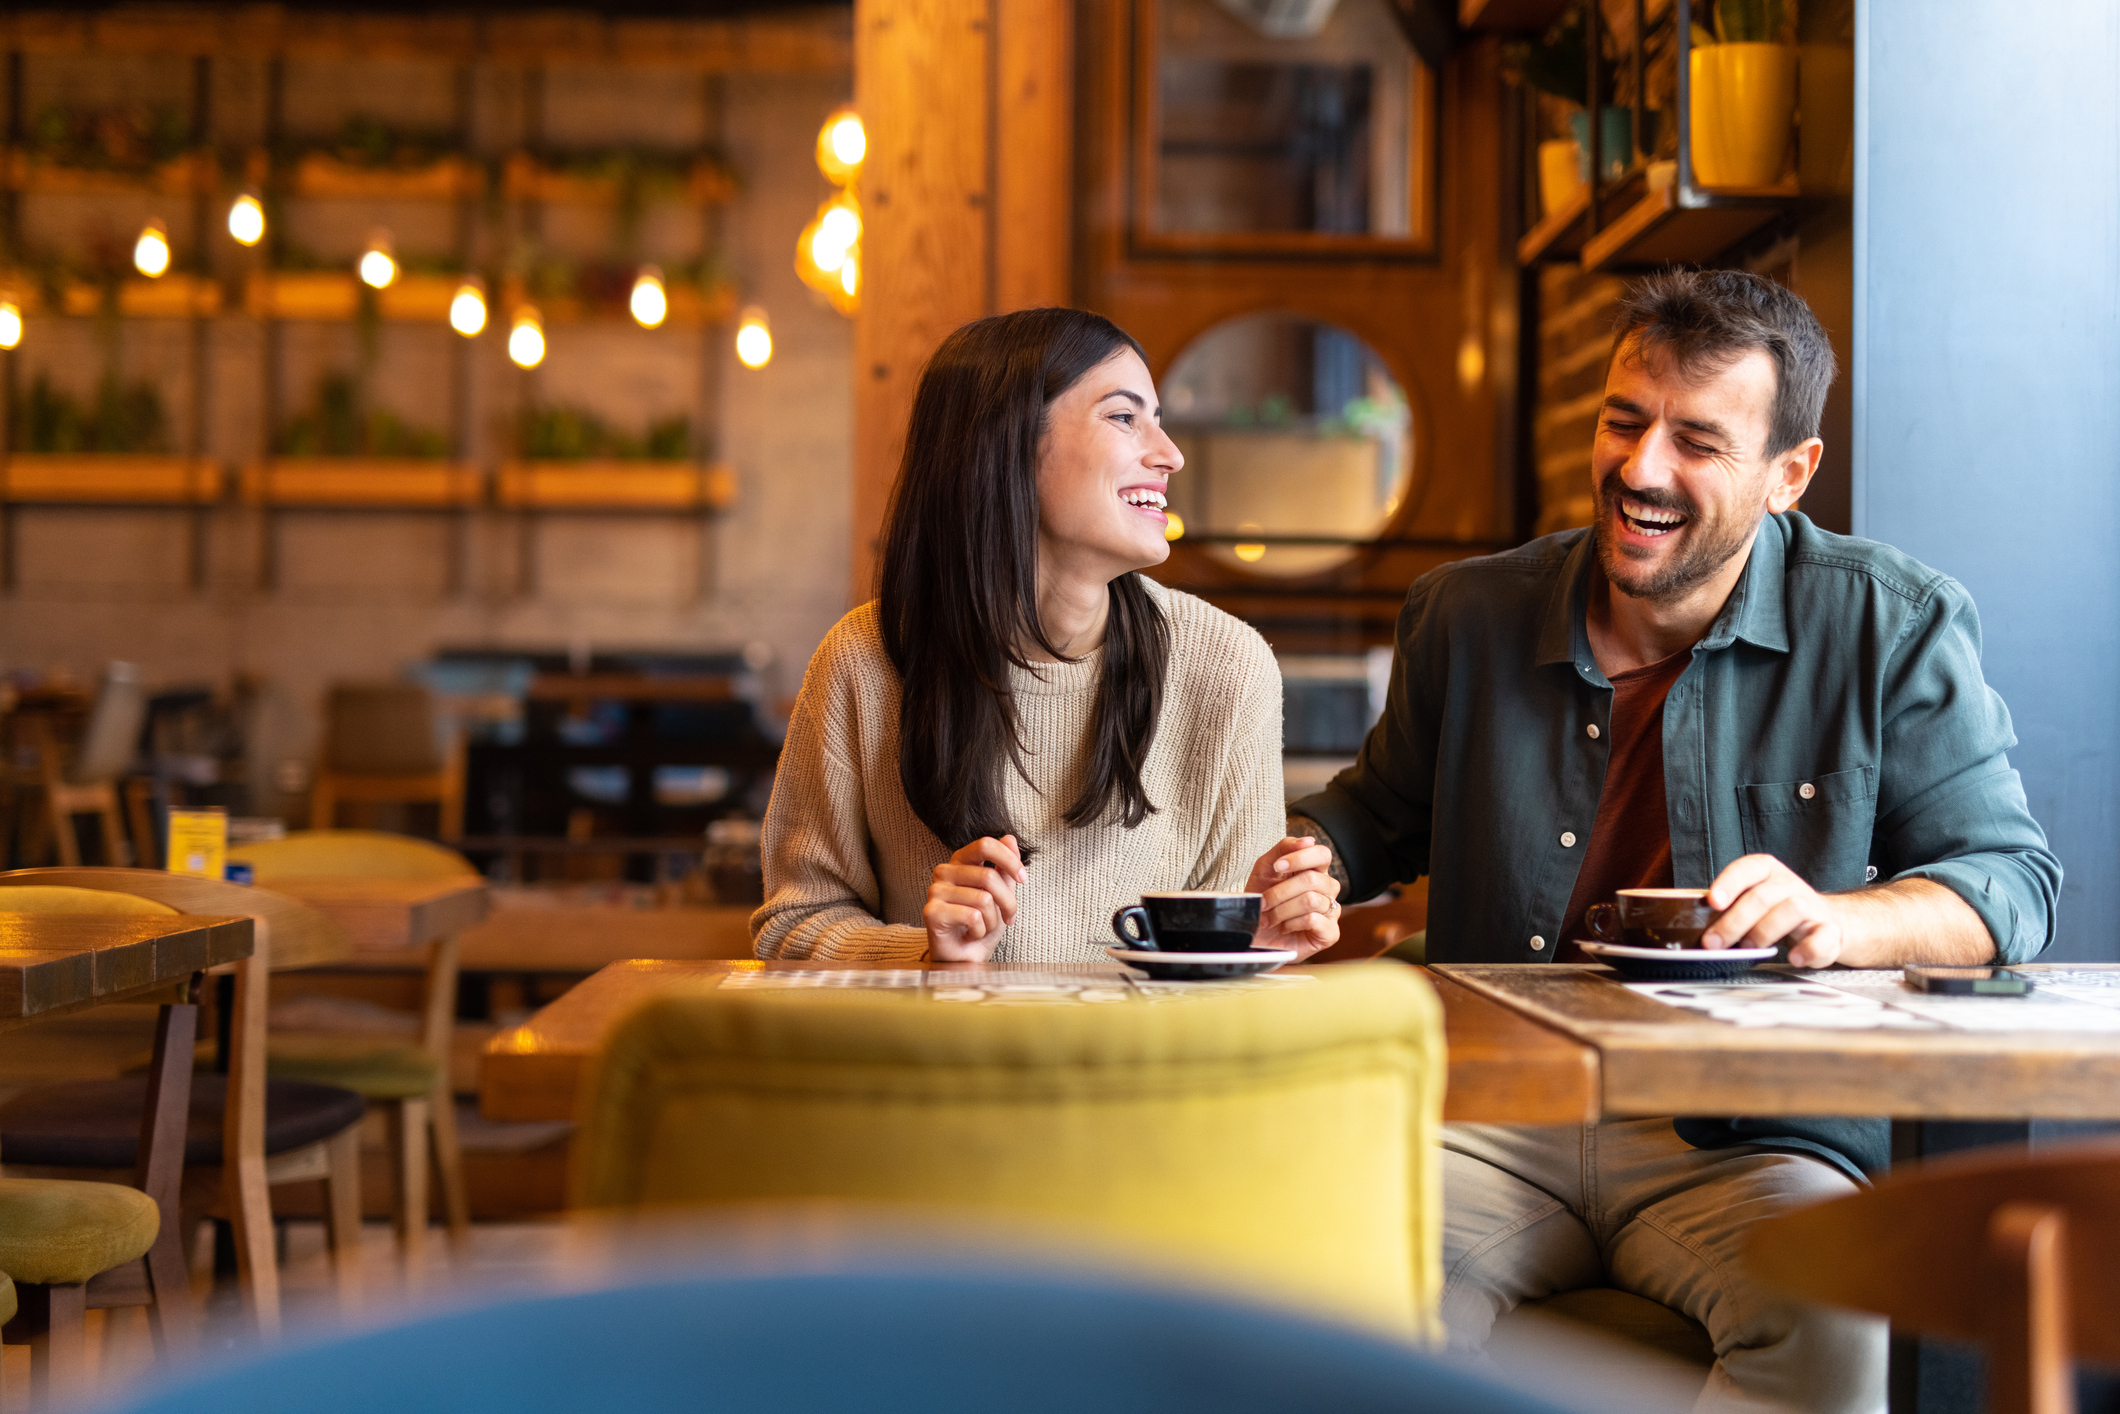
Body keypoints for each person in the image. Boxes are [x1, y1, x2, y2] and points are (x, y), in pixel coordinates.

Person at [1288, 270, 2061, 1413]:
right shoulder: (1464, 613)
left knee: (1829, 1310)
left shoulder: (1888, 622)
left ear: (1786, 475)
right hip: (1500, 1115)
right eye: (1622, 421)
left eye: (1696, 440)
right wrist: (1308, 857)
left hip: (1753, 1135)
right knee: (1336, 1285)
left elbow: (2007, 883)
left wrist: (1837, 919)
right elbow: (1371, 812)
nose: (1640, 468)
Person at [754, 307, 1343, 964]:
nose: (1169, 454)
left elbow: (1225, 976)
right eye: (1124, 417)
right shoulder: (865, 660)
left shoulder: (1228, 667)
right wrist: (925, 955)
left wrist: (1254, 942)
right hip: (949, 1064)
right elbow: (794, 922)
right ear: (1005, 442)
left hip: (1144, 1066)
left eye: (1159, 419)